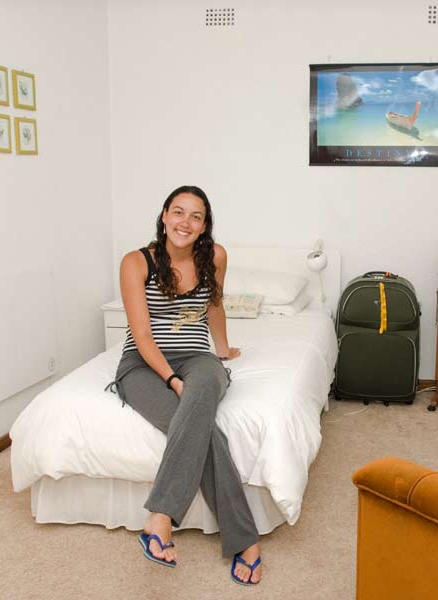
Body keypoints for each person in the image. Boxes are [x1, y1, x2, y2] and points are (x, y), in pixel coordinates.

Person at [111, 185, 262, 585]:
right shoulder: (136, 262)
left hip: (198, 358)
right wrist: (171, 379)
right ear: (164, 216)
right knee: (205, 431)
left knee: (206, 388)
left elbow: (214, 305)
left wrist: (223, 349)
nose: (185, 222)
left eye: (196, 216)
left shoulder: (215, 256)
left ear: (205, 225)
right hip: (142, 364)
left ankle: (159, 518)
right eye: (178, 212)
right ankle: (244, 538)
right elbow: (142, 336)